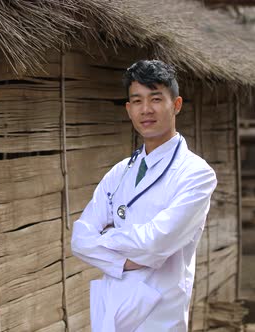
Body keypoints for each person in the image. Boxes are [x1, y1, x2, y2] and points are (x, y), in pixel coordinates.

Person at [71, 60, 217, 331]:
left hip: (158, 315)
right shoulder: (119, 172)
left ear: (176, 105)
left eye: (156, 98)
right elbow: (80, 239)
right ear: (129, 110)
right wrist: (127, 260)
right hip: (112, 308)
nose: (146, 109)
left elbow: (155, 244)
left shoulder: (196, 173)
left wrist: (105, 239)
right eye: (137, 101)